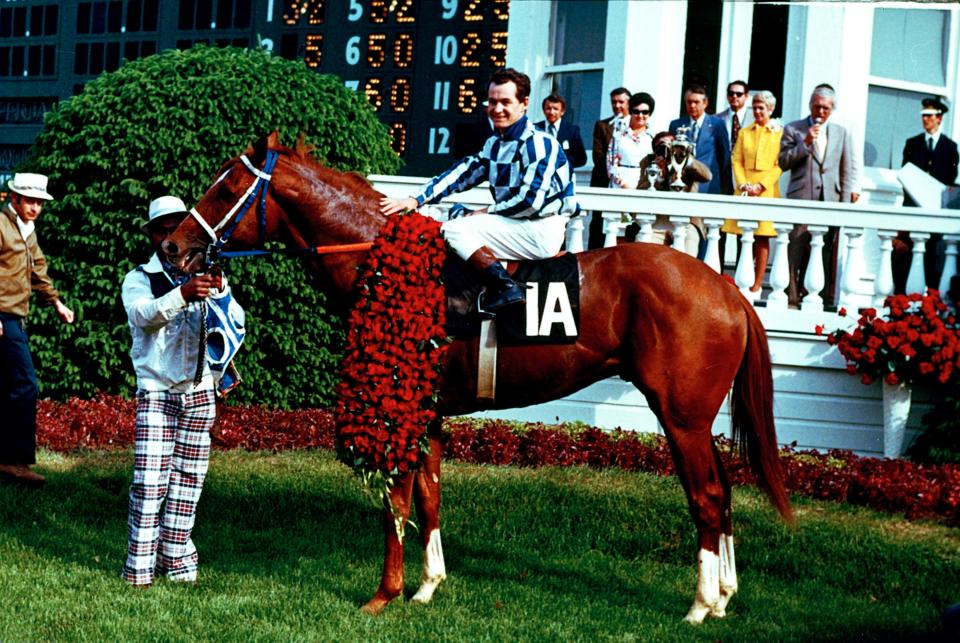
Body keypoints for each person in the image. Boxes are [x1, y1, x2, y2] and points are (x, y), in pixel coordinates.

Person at [379, 68, 578, 313]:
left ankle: (506, 287)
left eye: (506, 102)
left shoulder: (539, 143)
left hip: (540, 228)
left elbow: (531, 202)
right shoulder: (494, 143)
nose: (497, 109)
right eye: (492, 102)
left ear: (524, 103)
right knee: (452, 215)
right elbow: (462, 175)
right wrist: (416, 199)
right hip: (516, 223)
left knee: (452, 229)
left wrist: (486, 211)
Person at [121, 195, 243, 587]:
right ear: (152, 235)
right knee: (150, 482)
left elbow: (237, 324)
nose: (169, 235)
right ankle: (139, 568)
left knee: (189, 480)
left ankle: (177, 561)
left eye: (176, 227)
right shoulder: (139, 277)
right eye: (162, 229)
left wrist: (222, 296)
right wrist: (183, 295)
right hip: (157, 391)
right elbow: (143, 316)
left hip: (200, 391)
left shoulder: (208, 275)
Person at [0, 173, 74, 487]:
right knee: (25, 384)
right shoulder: (1, 225)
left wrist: (56, 302)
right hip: (3, 318)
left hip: (14, 319)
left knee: (9, 387)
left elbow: (38, 270)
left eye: (39, 203)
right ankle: (14, 462)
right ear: (14, 198)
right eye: (30, 201)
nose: (35, 208)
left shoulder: (27, 229)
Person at [779, 85, 856, 307]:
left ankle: (817, 300)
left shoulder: (841, 132)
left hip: (829, 202)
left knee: (823, 254)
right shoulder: (794, 128)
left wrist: (843, 207)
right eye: (817, 106)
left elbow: (846, 170)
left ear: (832, 109)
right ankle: (792, 300)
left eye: (826, 108)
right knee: (795, 252)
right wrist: (806, 143)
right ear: (810, 105)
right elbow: (783, 162)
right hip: (802, 199)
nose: (820, 112)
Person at [895, 97, 959, 292]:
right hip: (913, 209)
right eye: (923, 116)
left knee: (933, 258)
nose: (925, 120)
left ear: (939, 118)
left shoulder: (950, 148)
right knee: (905, 257)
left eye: (929, 116)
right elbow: (906, 175)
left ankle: (931, 299)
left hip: (935, 212)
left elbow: (949, 180)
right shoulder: (912, 144)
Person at [723, 90, 783, 298]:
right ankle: (741, 280)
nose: (758, 111)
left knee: (761, 237)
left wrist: (762, 186)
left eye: (762, 108)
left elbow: (779, 164)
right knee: (743, 235)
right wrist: (743, 184)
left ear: (770, 110)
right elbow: (736, 159)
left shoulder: (778, 132)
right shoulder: (745, 132)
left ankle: (757, 284)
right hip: (746, 189)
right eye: (755, 107)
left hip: (766, 191)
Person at [633, 131, 710, 252]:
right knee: (642, 250)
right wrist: (659, 176)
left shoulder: (686, 160)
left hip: (686, 221)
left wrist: (685, 158)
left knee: (688, 251)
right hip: (658, 222)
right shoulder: (649, 162)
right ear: (655, 150)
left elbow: (707, 176)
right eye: (662, 146)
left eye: (670, 145)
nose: (667, 149)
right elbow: (641, 190)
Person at [669, 83, 732, 196]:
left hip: (709, 184)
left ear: (705, 103)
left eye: (696, 102)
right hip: (682, 184)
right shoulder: (676, 125)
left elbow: (724, 157)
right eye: (689, 102)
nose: (692, 105)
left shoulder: (717, 124)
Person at [588, 87, 631, 249]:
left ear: (629, 103)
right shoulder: (602, 126)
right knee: (599, 223)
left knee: (625, 223)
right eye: (614, 102)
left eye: (621, 102)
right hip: (603, 181)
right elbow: (598, 156)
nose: (617, 105)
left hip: (626, 184)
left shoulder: (634, 127)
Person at [606, 92, 655, 189]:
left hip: (644, 185)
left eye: (645, 112)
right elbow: (610, 163)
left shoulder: (653, 138)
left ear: (650, 114)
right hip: (620, 186)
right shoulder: (618, 136)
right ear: (631, 112)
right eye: (636, 111)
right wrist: (622, 183)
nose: (640, 115)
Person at [716, 80, 754, 193]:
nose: (734, 97)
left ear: (746, 96)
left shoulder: (755, 119)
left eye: (739, 94)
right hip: (723, 174)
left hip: (747, 174)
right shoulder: (717, 119)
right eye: (731, 93)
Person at [535, 93, 587, 169]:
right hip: (539, 176)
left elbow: (581, 159)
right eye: (548, 108)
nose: (551, 112)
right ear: (543, 110)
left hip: (562, 177)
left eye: (555, 109)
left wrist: (563, 165)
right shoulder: (535, 129)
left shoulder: (572, 131)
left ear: (562, 112)